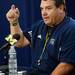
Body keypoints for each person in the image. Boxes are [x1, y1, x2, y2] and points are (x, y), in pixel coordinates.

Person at [6, 0, 75, 75]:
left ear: (61, 8)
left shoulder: (71, 28)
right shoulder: (39, 25)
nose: (43, 13)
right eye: (42, 9)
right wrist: (13, 22)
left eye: (48, 8)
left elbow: (66, 66)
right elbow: (18, 42)